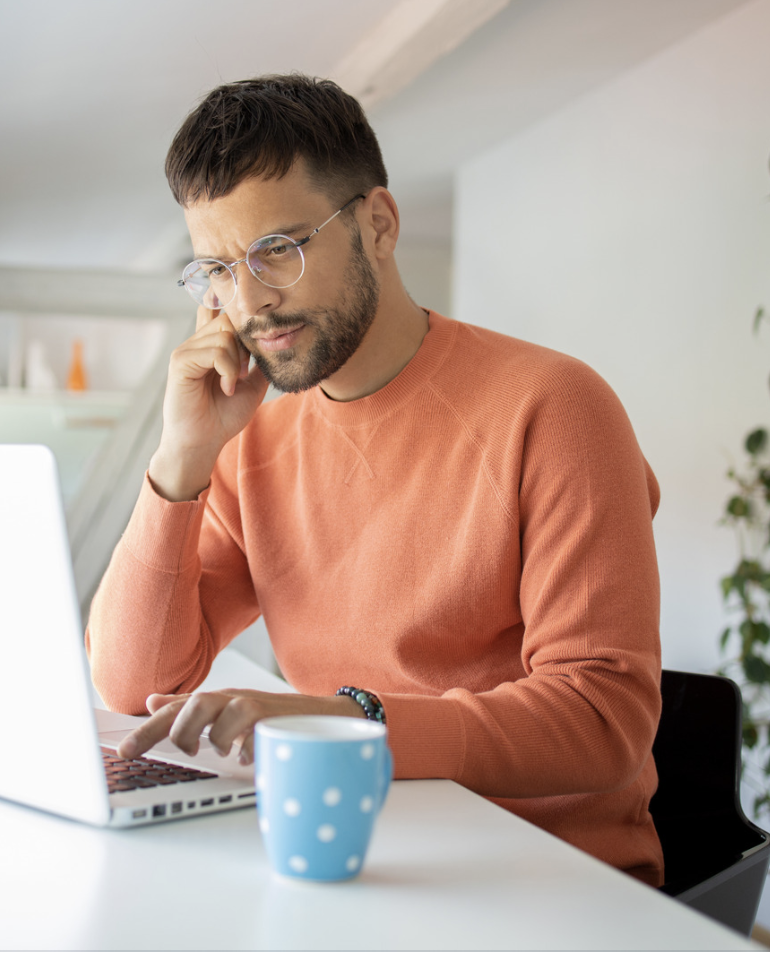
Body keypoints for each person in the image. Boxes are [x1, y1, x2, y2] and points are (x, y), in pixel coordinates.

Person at [85, 74, 664, 886]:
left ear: (379, 224)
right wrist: (181, 459)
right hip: (351, 851)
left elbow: (605, 721)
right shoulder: (253, 437)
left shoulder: (556, 407)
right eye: (216, 269)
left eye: (277, 252)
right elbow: (129, 681)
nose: (248, 303)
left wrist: (344, 723)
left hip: (548, 882)